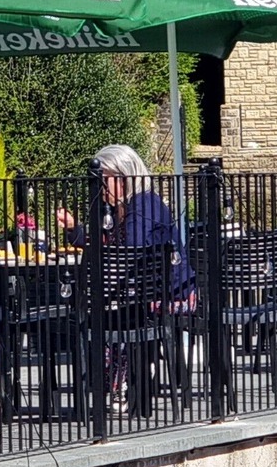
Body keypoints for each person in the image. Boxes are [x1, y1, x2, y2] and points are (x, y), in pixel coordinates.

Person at [55, 144, 196, 414]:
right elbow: (107, 246)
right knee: (107, 313)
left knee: (109, 315)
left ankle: (116, 389)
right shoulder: (122, 208)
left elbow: (128, 250)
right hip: (140, 290)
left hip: (170, 294)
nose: (99, 187)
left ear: (123, 177)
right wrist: (75, 230)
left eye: (103, 179)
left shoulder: (144, 205)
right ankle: (114, 388)